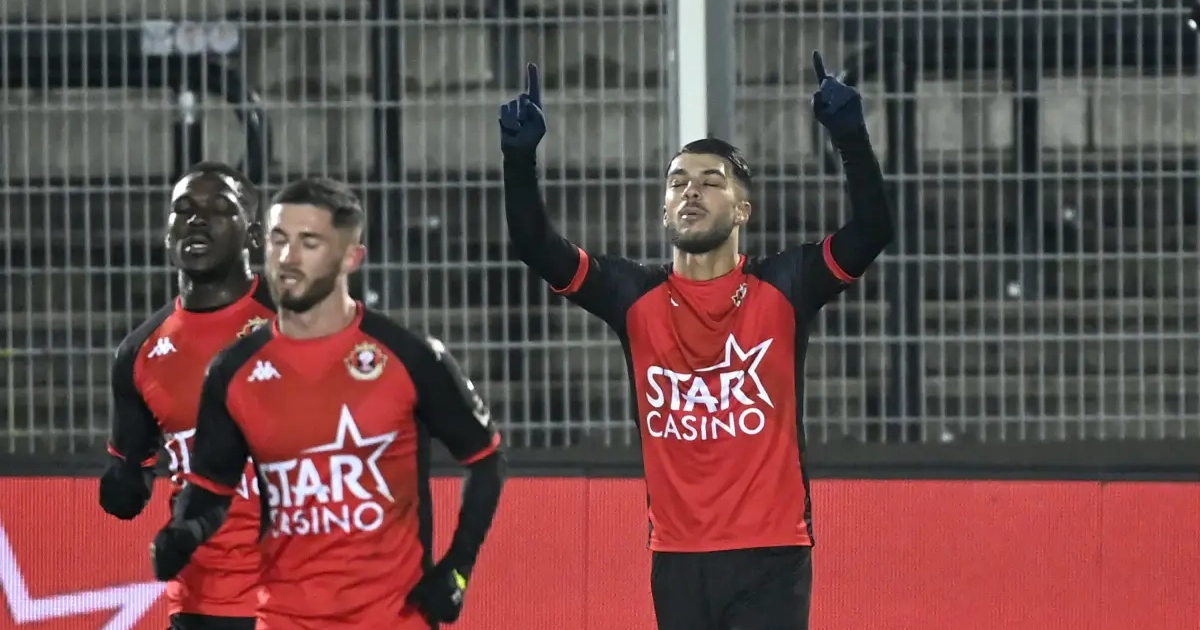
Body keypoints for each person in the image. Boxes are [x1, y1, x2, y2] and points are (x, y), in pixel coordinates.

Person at [498, 53, 893, 630]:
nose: (691, 191)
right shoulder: (632, 295)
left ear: (743, 210)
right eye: (678, 182)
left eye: (711, 182)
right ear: (664, 209)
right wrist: (518, 159)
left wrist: (851, 138)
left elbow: (872, 231)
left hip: (771, 554)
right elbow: (538, 249)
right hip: (677, 558)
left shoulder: (786, 284)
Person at [147, 177, 507, 630]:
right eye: (278, 239)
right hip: (284, 619)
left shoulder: (410, 357)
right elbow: (211, 488)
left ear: (351, 257)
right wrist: (184, 532)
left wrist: (458, 567)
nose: (287, 257)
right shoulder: (233, 371)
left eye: (309, 243)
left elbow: (485, 460)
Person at [99, 162, 273, 630]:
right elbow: (129, 481)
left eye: (219, 208)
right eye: (184, 208)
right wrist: (121, 487)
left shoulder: (301, 326)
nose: (197, 218)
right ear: (167, 234)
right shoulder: (139, 351)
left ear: (254, 235)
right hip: (201, 604)